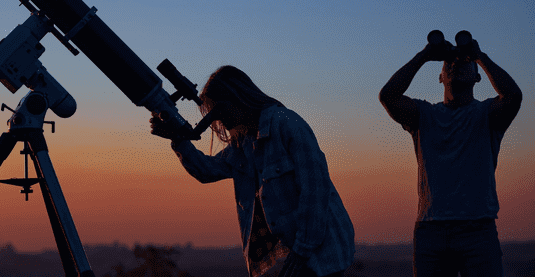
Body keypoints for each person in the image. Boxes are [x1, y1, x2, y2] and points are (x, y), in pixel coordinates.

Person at [150, 65, 355, 277]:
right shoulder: (244, 143)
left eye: (219, 110)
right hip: (297, 255)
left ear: (238, 97)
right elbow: (206, 171)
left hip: (321, 253)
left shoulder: (288, 125)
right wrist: (177, 139)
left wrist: (302, 250)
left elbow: (315, 192)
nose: (219, 119)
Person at [379, 35, 522, 277]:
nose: (455, 64)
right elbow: (388, 97)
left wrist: (479, 56)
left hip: (478, 229)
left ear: (478, 77)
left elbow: (513, 96)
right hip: (431, 231)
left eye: (465, 62)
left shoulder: (487, 115)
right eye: (448, 64)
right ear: (440, 77)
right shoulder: (423, 115)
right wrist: (424, 55)